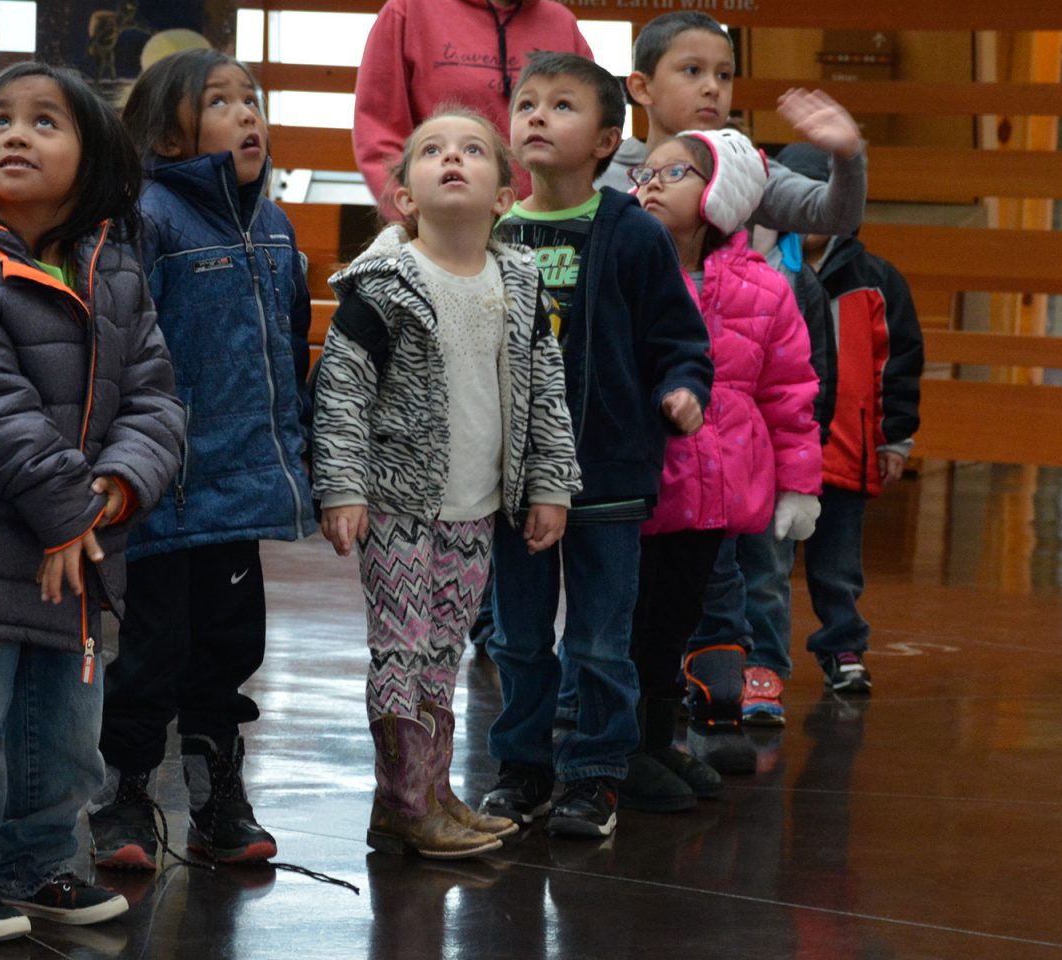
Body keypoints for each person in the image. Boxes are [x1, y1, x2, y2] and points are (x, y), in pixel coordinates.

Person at [0, 62, 184, 944]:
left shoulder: (114, 269)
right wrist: (71, 511)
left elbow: (158, 401)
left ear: (95, 159)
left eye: (45, 121)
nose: (16, 133)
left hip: (78, 545)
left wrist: (114, 490)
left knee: (66, 727)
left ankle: (39, 860)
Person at [311, 107, 581, 859]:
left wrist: (552, 484)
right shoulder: (384, 286)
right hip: (399, 503)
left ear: (504, 194)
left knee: (444, 651)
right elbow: (339, 393)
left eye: (472, 151)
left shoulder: (520, 284)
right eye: (432, 151)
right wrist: (342, 488)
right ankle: (405, 801)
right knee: (401, 646)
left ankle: (426, 794)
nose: (452, 159)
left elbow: (546, 391)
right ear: (403, 196)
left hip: (475, 506)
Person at [86, 48, 314, 870]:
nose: (247, 114)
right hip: (165, 487)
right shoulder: (146, 218)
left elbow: (291, 347)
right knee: (151, 652)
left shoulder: (275, 227)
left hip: (240, 486)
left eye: (252, 100)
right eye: (221, 102)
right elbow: (113, 350)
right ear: (165, 133)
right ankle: (125, 794)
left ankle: (217, 793)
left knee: (228, 648)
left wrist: (298, 456)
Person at [477, 51, 714, 834]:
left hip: (608, 470)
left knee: (599, 640)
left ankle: (595, 773)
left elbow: (680, 338)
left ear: (609, 141)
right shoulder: (493, 231)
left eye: (562, 106)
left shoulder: (633, 235)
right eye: (527, 105)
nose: (537, 117)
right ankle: (522, 767)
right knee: (516, 637)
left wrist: (682, 390)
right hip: (511, 477)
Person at [627, 129, 821, 788]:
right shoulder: (627, 268)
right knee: (630, 613)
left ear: (721, 192)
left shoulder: (764, 289)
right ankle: (622, 738)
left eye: (673, 172)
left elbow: (790, 395)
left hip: (717, 491)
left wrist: (799, 487)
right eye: (643, 173)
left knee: (709, 607)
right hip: (639, 481)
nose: (649, 183)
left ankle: (706, 720)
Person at [738, 148, 924, 714]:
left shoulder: (875, 279)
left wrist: (895, 438)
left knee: (837, 565)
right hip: (772, 455)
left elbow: (901, 362)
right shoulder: (762, 272)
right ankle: (758, 664)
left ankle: (843, 648)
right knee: (764, 567)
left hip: (845, 449)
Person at [594, 12, 868, 249]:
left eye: (724, 75)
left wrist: (848, 155)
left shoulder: (745, 169)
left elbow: (836, 217)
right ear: (642, 88)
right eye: (692, 70)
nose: (712, 87)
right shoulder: (599, 170)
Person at [353, 0, 594, 221]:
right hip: (441, 231)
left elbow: (589, 130)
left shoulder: (562, 23)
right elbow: (379, 134)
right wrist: (419, 221)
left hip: (546, 233)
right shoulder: (408, 10)